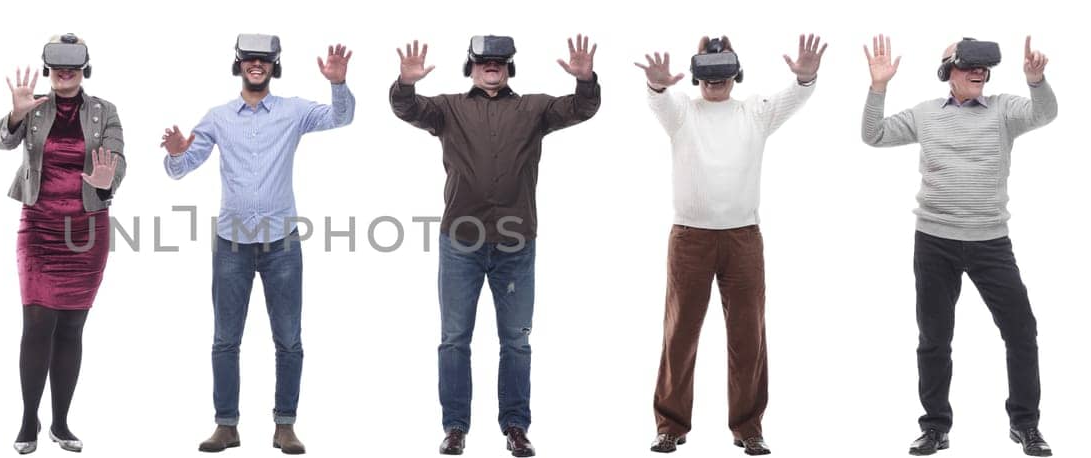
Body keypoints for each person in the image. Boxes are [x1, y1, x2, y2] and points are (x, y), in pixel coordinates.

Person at [390, 34, 600, 458]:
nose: (492, 67)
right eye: (484, 61)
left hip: (516, 245)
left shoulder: (534, 108)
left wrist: (586, 80)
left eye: (499, 62)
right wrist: (405, 84)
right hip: (460, 241)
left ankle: (516, 427)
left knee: (517, 341)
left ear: (509, 67)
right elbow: (407, 108)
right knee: (454, 339)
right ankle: (454, 428)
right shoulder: (448, 108)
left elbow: (581, 108)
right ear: (470, 65)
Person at [861, 35, 1056, 458]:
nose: (978, 73)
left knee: (1021, 331)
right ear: (947, 70)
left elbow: (1045, 113)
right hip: (935, 243)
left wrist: (1036, 81)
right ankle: (935, 427)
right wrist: (878, 87)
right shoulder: (926, 114)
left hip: (991, 243)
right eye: (969, 65)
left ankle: (1026, 424)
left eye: (984, 68)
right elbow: (873, 135)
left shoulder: (1004, 109)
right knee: (934, 338)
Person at [162, 33, 354, 455]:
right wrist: (176, 154)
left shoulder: (292, 112)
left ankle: (285, 426)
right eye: (249, 58)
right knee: (225, 340)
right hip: (232, 245)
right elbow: (181, 167)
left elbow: (341, 118)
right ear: (239, 64)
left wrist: (338, 85)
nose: (256, 64)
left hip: (281, 245)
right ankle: (226, 426)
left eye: (264, 59)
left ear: (274, 65)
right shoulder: (217, 117)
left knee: (288, 338)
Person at [634, 34, 825, 456]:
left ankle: (748, 427)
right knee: (679, 331)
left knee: (748, 334)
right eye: (707, 70)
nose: (715, 78)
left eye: (723, 69)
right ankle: (670, 425)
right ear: (698, 73)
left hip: (743, 238)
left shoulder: (754, 111)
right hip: (690, 238)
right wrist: (658, 85)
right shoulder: (682, 111)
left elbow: (793, 98)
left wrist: (806, 78)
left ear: (735, 73)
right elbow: (660, 102)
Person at [0, 33, 125, 455]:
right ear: (47, 67)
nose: (65, 71)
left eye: (73, 63)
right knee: (36, 323)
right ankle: (28, 420)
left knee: (71, 327)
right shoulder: (33, 107)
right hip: (39, 225)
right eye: (57, 64)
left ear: (85, 67)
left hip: (87, 230)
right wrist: (15, 114)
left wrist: (109, 180)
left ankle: (61, 423)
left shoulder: (105, 111)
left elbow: (117, 158)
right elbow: (0, 141)